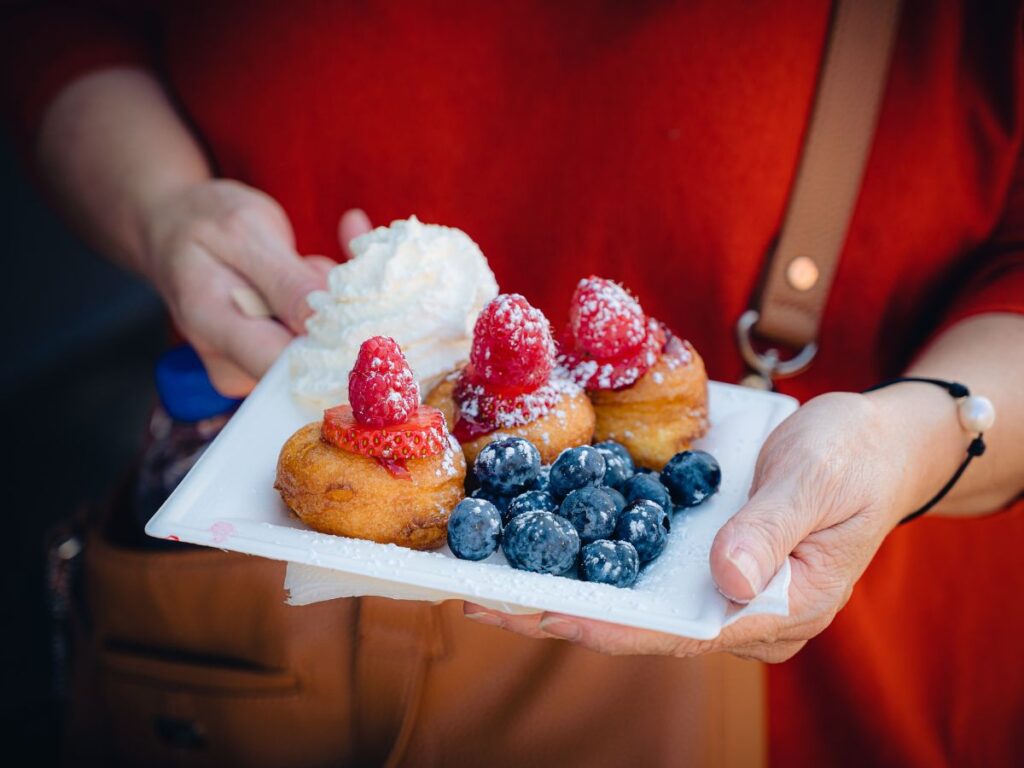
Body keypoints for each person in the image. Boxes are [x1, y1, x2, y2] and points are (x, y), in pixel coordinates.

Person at [3, 2, 1022, 765]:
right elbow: (60, 24)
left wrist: (935, 431)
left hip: (799, 658)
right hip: (254, 606)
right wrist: (167, 209)